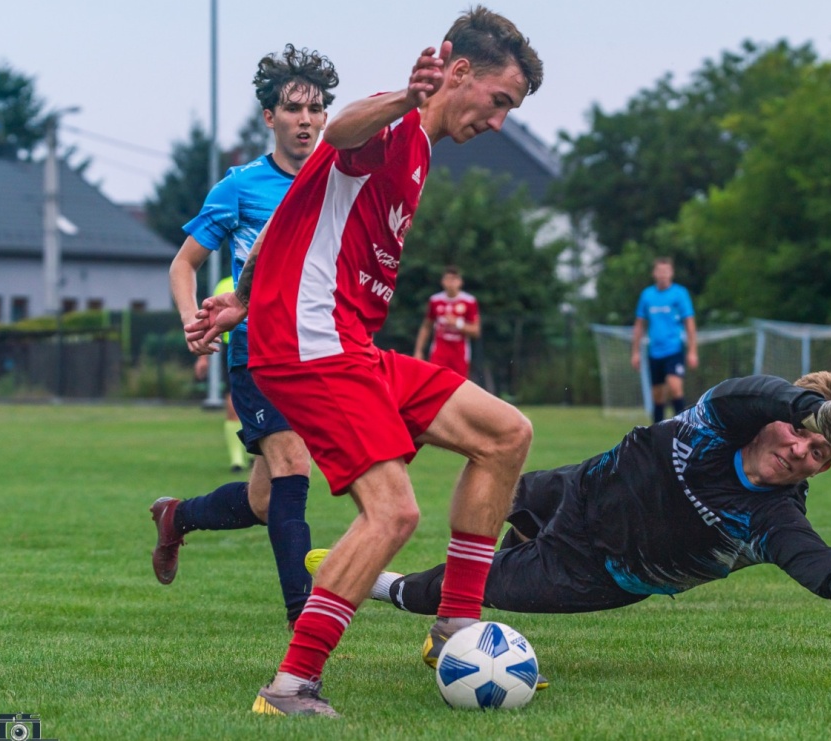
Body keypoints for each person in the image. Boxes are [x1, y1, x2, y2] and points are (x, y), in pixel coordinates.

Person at [184, 7, 544, 718]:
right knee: (392, 511)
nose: (499, 121)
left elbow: (296, 212)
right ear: (459, 71)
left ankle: (454, 630)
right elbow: (343, 131)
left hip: (351, 344)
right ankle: (290, 688)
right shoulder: (394, 128)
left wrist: (243, 300)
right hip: (312, 346)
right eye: (499, 101)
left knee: (506, 433)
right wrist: (407, 100)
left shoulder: (421, 149)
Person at [306, 372, 831, 636]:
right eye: (800, 431)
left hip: (595, 572)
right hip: (577, 488)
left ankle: (384, 585)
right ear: (782, 416)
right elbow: (754, 392)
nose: (800, 451)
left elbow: (809, 556)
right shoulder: (725, 418)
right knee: (490, 495)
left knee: (473, 583)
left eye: (820, 453)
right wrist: (810, 409)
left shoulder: (770, 517)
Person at [153, 45, 339, 631]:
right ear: (270, 117)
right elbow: (184, 265)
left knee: (265, 501)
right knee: (292, 472)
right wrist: (192, 319)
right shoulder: (240, 187)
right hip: (254, 352)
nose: (306, 120)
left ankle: (178, 517)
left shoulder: (338, 180)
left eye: (316, 109)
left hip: (317, 353)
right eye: (293, 108)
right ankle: (305, 622)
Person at [193, 275, 251, 473]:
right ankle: (237, 461)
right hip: (234, 347)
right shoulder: (225, 284)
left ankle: (256, 454)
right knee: (233, 404)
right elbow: (212, 320)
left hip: (265, 343)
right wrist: (203, 358)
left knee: (262, 402)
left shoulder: (268, 271)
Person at [631, 257, 699, 423]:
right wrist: (635, 352)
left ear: (671, 273)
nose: (663, 275)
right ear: (654, 273)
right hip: (654, 351)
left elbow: (689, 322)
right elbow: (639, 325)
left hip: (674, 349)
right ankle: (656, 433)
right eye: (660, 271)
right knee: (658, 396)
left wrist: (692, 351)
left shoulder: (679, 294)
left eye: (666, 271)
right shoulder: (647, 295)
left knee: (675, 387)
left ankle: (683, 427)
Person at [413, 265, 480, 378]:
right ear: (442, 281)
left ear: (460, 282)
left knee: (459, 385)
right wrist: (418, 351)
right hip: (440, 351)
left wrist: (457, 324)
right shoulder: (435, 300)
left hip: (460, 353)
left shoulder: (469, 302)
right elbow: (426, 326)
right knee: (435, 382)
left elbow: (476, 331)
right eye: (448, 279)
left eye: (454, 279)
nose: (451, 283)